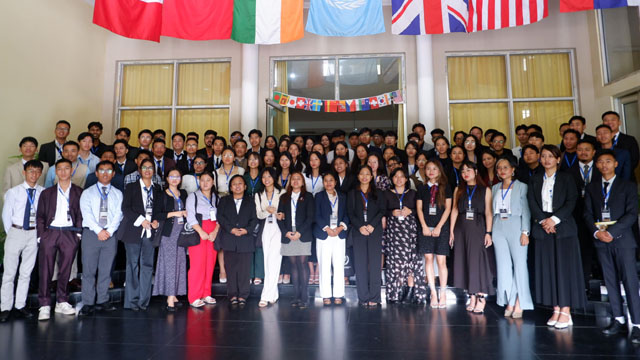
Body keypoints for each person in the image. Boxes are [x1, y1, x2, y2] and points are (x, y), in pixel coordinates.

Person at [584, 150, 640, 343]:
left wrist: (612, 232)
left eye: (608, 161)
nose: (604, 165)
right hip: (601, 241)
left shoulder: (628, 186)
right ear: (597, 165)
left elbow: (632, 214)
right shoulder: (592, 188)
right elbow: (587, 214)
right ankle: (618, 319)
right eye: (600, 162)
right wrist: (597, 232)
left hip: (623, 240)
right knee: (610, 281)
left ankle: (638, 324)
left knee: (630, 282)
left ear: (616, 164)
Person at [527, 145, 586, 329]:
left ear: (558, 159)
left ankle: (566, 310)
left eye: (550, 156)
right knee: (549, 270)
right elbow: (532, 202)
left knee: (564, 269)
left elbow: (572, 201)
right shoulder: (535, 179)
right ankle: (555, 308)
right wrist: (544, 221)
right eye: (543, 156)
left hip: (564, 228)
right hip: (543, 228)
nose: (546, 160)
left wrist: (554, 220)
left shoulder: (567, 178)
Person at [35, 159, 83, 321]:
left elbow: (81, 214)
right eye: (60, 169)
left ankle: (62, 301)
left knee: (65, 269)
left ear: (71, 171)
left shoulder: (78, 191)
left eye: (66, 168)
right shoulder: (47, 193)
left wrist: (78, 234)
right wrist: (42, 235)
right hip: (51, 232)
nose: (63, 172)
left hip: (70, 233)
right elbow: (40, 216)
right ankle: (44, 304)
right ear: (56, 172)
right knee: (46, 269)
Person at [0, 160, 44, 322]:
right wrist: (12, 233)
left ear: (40, 173)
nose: (34, 174)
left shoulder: (43, 192)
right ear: (24, 172)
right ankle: (5, 307)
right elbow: (6, 216)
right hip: (16, 232)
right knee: (9, 273)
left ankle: (20, 305)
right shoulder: (13, 192)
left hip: (33, 234)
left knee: (26, 272)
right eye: (31, 171)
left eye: (37, 171)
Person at [78, 161, 124, 316]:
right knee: (89, 270)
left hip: (110, 235)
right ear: (96, 173)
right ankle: (88, 302)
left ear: (113, 174)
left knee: (105, 270)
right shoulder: (88, 193)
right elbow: (86, 214)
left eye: (108, 170)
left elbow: (119, 214)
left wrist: (109, 231)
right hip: (92, 234)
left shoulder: (118, 193)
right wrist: (99, 230)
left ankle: (102, 300)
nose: (105, 173)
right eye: (102, 170)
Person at [450, 161, 494, 314]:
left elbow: (489, 212)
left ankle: (481, 295)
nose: (465, 173)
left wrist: (488, 232)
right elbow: (454, 211)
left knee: (478, 260)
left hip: (477, 226)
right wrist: (451, 231)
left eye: (468, 170)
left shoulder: (485, 190)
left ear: (475, 171)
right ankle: (472, 295)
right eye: (463, 171)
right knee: (465, 260)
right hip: (461, 228)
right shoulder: (458, 190)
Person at [491, 157, 533, 318]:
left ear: (513, 169)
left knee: (520, 265)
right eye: (499, 168)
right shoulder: (495, 187)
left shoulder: (522, 187)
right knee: (503, 267)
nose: (502, 170)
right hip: (498, 226)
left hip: (516, 225)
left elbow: (526, 211)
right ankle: (508, 299)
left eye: (505, 167)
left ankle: (520, 302)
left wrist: (525, 232)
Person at [117, 158, 160, 311]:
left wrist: (156, 221)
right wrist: (141, 220)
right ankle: (132, 301)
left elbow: (160, 211)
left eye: (150, 167)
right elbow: (126, 208)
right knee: (132, 265)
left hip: (150, 232)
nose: (148, 170)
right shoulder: (131, 187)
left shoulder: (158, 189)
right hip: (134, 230)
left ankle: (144, 300)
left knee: (148, 266)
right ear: (140, 170)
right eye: (145, 167)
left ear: (154, 171)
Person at [384, 168, 426, 305]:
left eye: (402, 176)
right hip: (394, 233)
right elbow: (381, 210)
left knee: (412, 261)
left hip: (410, 232)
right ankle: (396, 292)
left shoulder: (413, 194)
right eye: (396, 176)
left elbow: (420, 210)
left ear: (407, 179)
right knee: (395, 263)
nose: (399, 179)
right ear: (392, 179)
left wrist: (411, 211)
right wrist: (392, 213)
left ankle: (412, 291)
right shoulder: (386, 194)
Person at [217, 175, 258, 307]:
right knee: (231, 268)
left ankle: (243, 295)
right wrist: (231, 229)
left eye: (240, 183)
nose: (237, 186)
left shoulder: (250, 201)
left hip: (245, 238)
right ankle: (233, 294)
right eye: (234, 184)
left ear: (245, 186)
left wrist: (247, 230)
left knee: (244, 269)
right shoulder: (224, 200)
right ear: (230, 187)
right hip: (229, 238)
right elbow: (220, 217)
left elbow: (254, 219)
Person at [348, 165, 386, 307]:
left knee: (375, 264)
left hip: (374, 231)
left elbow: (382, 210)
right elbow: (350, 213)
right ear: (358, 176)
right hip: (359, 231)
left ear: (371, 177)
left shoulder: (379, 193)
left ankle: (375, 297)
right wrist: (360, 226)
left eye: (367, 174)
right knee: (360, 264)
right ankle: (363, 297)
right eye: (362, 174)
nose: (364, 176)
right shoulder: (352, 194)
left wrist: (372, 225)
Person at [416, 160, 452, 308]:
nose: (431, 171)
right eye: (428, 169)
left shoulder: (446, 187)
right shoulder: (422, 188)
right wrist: (424, 226)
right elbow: (419, 209)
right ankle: (432, 293)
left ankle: (442, 292)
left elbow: (448, 209)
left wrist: (438, 227)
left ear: (439, 171)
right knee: (429, 260)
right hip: (425, 228)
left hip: (441, 228)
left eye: (434, 169)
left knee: (441, 261)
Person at [151, 168, 188, 311]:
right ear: (167, 179)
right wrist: (176, 213)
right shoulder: (162, 195)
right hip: (169, 233)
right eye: (171, 176)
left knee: (180, 263)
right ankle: (170, 298)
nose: (174, 179)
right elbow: (157, 214)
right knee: (170, 264)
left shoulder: (183, 193)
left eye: (177, 176)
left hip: (182, 232)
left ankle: (176, 294)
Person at [278, 172, 315, 309]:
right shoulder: (284, 197)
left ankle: (304, 296)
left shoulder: (308, 197)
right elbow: (279, 217)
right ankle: (296, 296)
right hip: (289, 233)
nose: (295, 181)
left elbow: (310, 217)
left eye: (298, 179)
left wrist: (299, 232)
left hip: (303, 233)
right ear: (289, 181)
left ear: (303, 182)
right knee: (293, 264)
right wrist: (286, 232)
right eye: (293, 179)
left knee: (303, 263)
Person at [570, 139, 601, 289]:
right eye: (580, 149)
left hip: (600, 216)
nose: (583, 152)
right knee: (584, 249)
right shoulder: (569, 171)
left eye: (587, 149)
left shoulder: (602, 168)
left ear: (594, 152)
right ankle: (584, 283)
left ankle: (604, 279)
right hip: (578, 216)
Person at [314, 172, 349, 305]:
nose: (328, 183)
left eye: (331, 180)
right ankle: (326, 295)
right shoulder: (319, 196)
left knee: (339, 265)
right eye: (326, 181)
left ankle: (339, 294)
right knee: (324, 265)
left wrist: (340, 228)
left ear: (335, 182)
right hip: (324, 234)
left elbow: (347, 214)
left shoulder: (342, 196)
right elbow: (316, 215)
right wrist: (327, 228)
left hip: (339, 233)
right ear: (323, 183)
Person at [185, 171, 220, 308]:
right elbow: (190, 216)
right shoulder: (192, 196)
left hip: (213, 231)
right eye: (203, 180)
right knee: (197, 264)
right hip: (198, 230)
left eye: (208, 180)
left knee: (210, 264)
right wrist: (201, 231)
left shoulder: (217, 198)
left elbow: (220, 217)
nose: (205, 183)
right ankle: (194, 296)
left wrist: (215, 232)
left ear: (213, 182)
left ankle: (206, 293)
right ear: (199, 182)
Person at [256, 168, 285, 307]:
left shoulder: (282, 192)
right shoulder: (259, 194)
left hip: (278, 228)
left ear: (274, 178)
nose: (266, 179)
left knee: (275, 260)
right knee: (267, 261)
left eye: (269, 176)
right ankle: (273, 293)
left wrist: (278, 213)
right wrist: (268, 211)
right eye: (264, 176)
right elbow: (258, 214)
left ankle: (265, 295)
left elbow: (285, 212)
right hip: (265, 228)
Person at [244, 152, 264, 285]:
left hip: (261, 211)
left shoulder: (263, 176)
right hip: (246, 212)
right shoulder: (243, 177)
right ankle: (249, 273)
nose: (253, 161)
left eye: (255, 159)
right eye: (250, 159)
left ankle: (259, 274)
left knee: (259, 242)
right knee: (248, 242)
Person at [603, 111, 639, 181]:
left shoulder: (630, 140)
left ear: (619, 122)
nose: (609, 122)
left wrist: (619, 173)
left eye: (613, 120)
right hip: (605, 179)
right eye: (606, 120)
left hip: (626, 179)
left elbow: (634, 160)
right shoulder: (599, 140)